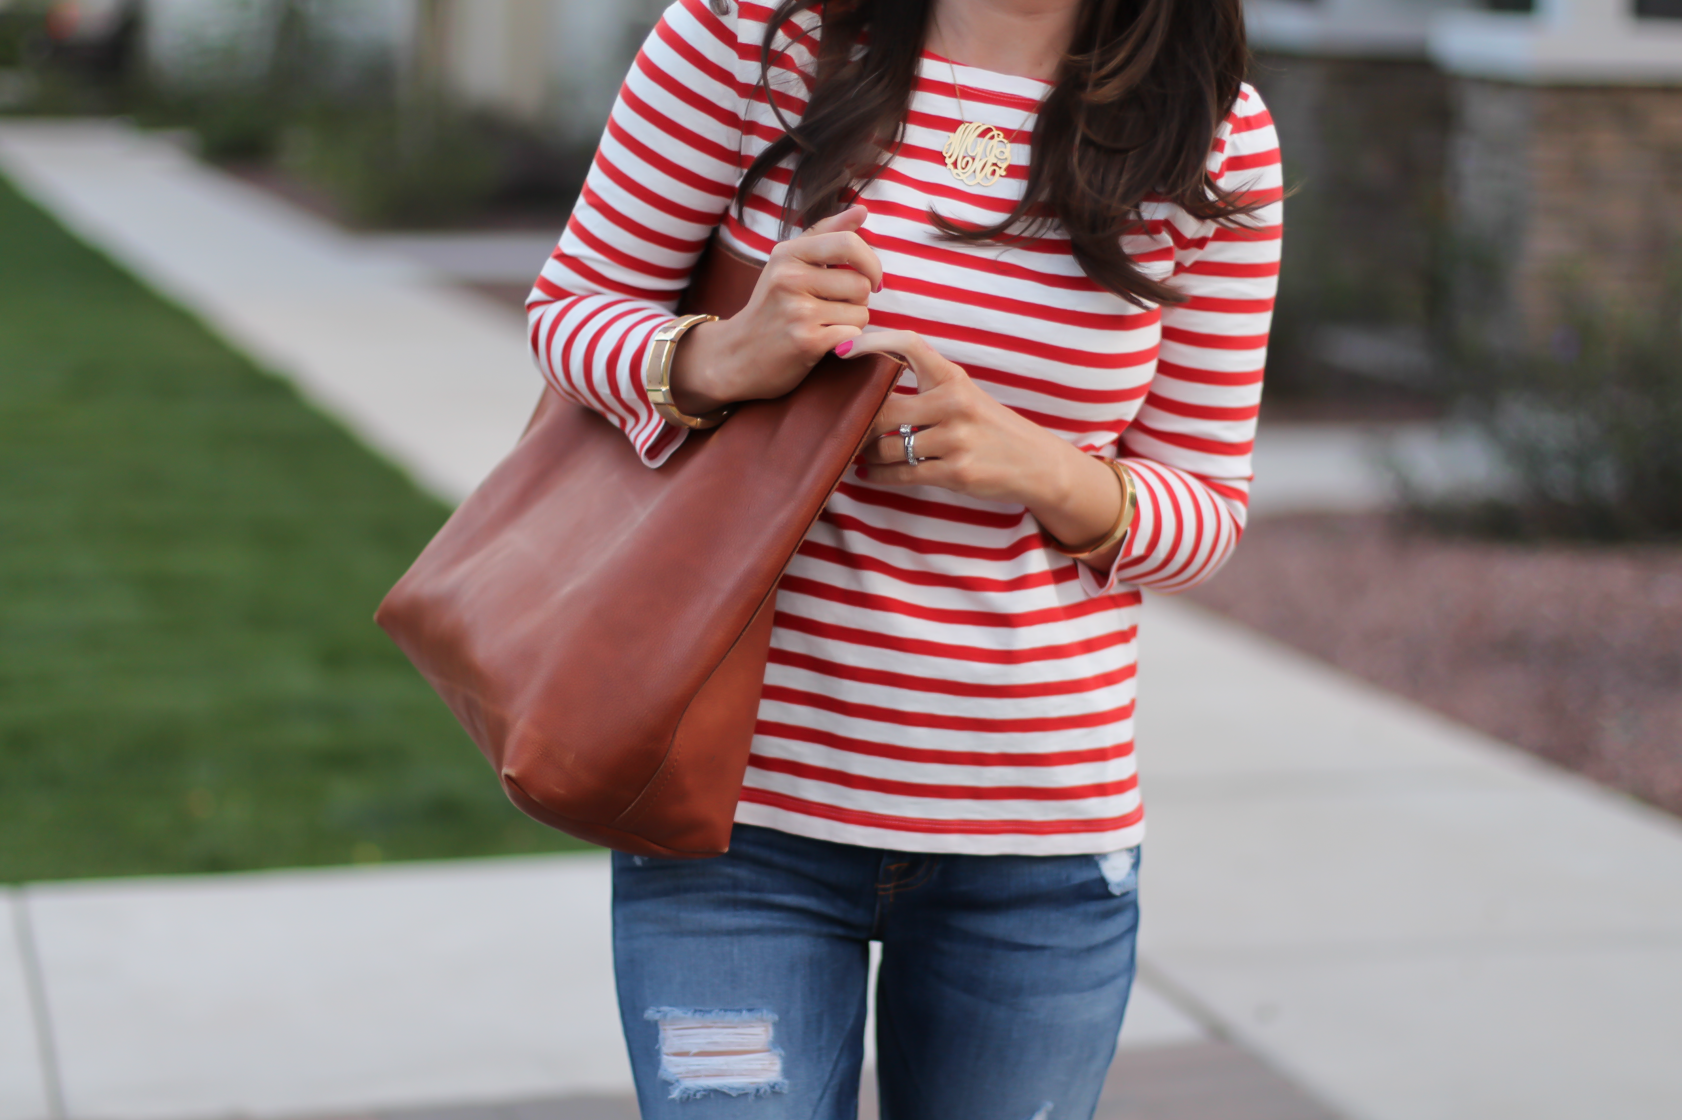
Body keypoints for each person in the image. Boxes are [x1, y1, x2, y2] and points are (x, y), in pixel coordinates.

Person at [526, 0, 1280, 1114]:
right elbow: (569, 312)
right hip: (734, 827)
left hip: (1034, 855)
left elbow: (1203, 511)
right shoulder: (750, 37)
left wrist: (1034, 465)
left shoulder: (1209, 128)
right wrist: (723, 354)